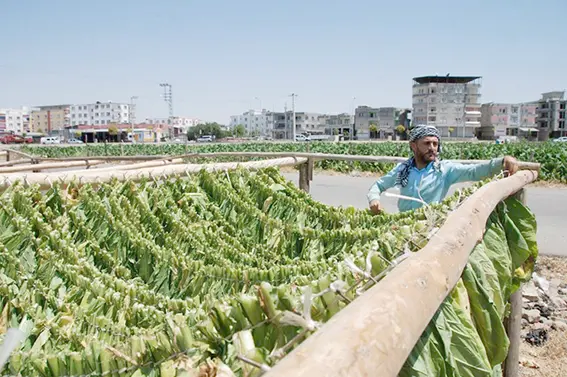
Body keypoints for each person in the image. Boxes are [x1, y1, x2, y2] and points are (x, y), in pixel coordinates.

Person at [367, 125, 519, 214]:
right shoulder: (403, 170)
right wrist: (374, 200)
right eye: (427, 143)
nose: (432, 148)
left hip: (428, 225)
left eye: (435, 143)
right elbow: (378, 186)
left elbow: (473, 171)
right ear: (414, 146)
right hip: (402, 224)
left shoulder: (444, 170)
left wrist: (501, 162)